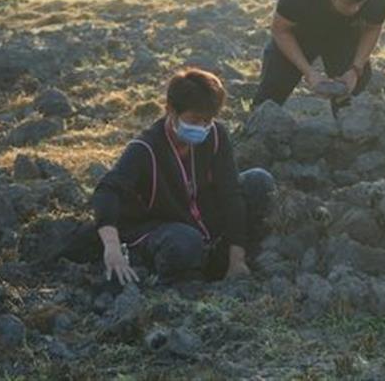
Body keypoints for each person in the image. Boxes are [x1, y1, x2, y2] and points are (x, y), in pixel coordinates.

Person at [91, 68, 275, 284]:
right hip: (164, 227)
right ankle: (172, 272)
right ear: (170, 110)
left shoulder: (215, 135)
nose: (202, 127)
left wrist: (237, 259)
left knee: (258, 182)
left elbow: (230, 193)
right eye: (195, 119)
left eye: (208, 120)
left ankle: (228, 258)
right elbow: (107, 191)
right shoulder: (145, 149)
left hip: (203, 220)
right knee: (185, 242)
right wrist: (112, 248)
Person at [252, 0, 385, 115]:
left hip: (345, 33)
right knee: (273, 87)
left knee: (352, 93)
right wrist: (309, 73)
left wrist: (355, 70)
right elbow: (280, 30)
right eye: (349, 3)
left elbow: (373, 28)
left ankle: (346, 132)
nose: (356, 9)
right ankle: (256, 129)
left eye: (361, 3)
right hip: (301, 32)